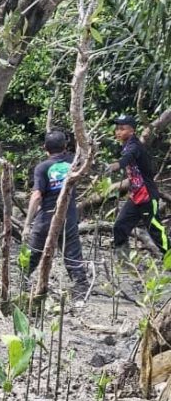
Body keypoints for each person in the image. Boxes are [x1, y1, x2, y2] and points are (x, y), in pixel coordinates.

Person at [22, 130, 90, 301]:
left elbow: (37, 196)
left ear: (44, 147)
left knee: (33, 253)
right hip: (69, 217)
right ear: (65, 146)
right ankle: (81, 288)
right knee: (72, 254)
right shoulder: (74, 162)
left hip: (46, 217)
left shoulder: (43, 167)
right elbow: (86, 152)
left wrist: (27, 223)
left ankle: (19, 283)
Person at [105, 114, 167, 256]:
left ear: (132, 131)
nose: (118, 132)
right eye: (117, 129)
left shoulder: (134, 146)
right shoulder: (126, 145)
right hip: (135, 196)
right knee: (120, 226)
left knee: (156, 231)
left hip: (147, 196)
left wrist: (115, 166)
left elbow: (127, 159)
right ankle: (124, 261)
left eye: (122, 129)